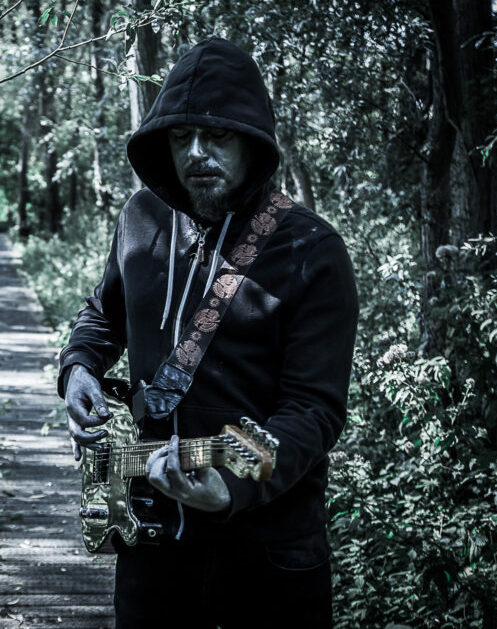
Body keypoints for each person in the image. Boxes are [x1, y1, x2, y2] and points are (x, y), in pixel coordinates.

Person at [58, 37, 358, 627]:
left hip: (268, 559)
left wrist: (231, 485)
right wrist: (79, 368)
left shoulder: (312, 250)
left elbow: (313, 411)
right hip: (150, 547)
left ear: (253, 142)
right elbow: (104, 314)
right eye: (181, 136)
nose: (196, 152)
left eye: (217, 135)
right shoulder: (140, 217)